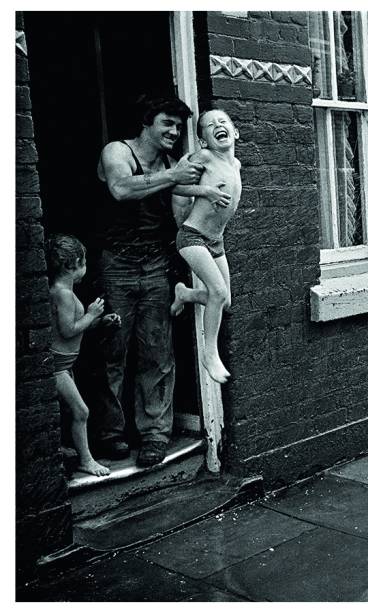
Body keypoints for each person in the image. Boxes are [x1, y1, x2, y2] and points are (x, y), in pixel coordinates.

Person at [95, 94, 227, 467]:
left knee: (157, 351)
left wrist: (206, 193)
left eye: (179, 126)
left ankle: (155, 435)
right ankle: (111, 434)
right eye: (166, 123)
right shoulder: (117, 152)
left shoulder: (174, 164)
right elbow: (121, 189)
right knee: (112, 351)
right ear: (147, 122)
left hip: (154, 264)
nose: (174, 131)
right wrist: (174, 177)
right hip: (116, 264)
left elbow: (182, 210)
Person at [169, 109, 242, 384]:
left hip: (215, 241)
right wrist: (206, 191)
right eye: (209, 125)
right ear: (203, 141)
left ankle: (185, 294)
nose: (217, 126)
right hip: (192, 237)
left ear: (234, 132)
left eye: (223, 122)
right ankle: (209, 354)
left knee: (225, 301)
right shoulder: (204, 158)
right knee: (218, 291)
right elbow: (174, 185)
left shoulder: (235, 165)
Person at [46, 235, 122, 476]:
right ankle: (86, 460)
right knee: (81, 411)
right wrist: (91, 314)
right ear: (74, 263)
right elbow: (68, 331)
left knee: (71, 412)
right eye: (84, 262)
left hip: (66, 364)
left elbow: (70, 326)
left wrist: (99, 321)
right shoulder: (63, 293)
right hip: (58, 366)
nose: (85, 268)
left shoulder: (65, 291)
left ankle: (72, 452)